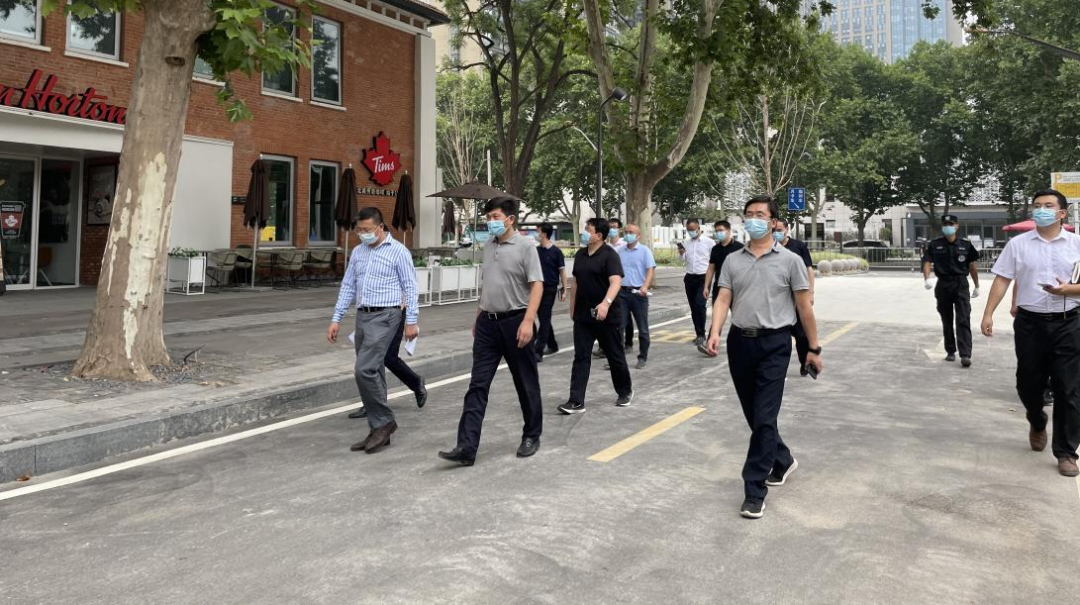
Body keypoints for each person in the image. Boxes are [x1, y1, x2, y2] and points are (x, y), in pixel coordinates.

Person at [705, 195, 823, 519]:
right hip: (739, 343)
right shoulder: (733, 260)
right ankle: (782, 458)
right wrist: (714, 331)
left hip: (775, 344)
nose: (753, 219)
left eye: (760, 214)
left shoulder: (790, 261)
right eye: (749, 214)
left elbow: (804, 308)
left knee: (764, 415)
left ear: (772, 222)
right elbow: (723, 298)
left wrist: (813, 349)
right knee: (755, 416)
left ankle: (754, 489)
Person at [981, 190, 1080, 478]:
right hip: (1030, 324)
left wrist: (1068, 290)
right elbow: (1003, 279)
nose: (1041, 210)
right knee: (1028, 384)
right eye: (1037, 206)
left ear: (1062, 213)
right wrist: (988, 313)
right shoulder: (1018, 245)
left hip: (1069, 322)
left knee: (1068, 388)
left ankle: (1066, 452)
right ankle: (1037, 420)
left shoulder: (1077, 245)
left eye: (1048, 206)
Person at [439, 197, 545, 466]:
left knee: (525, 383)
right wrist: (479, 315)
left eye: (495, 216)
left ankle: (532, 435)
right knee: (477, 385)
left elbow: (537, 285)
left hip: (516, 321)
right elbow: (488, 283)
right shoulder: (488, 245)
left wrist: (528, 321)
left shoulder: (526, 247)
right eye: (488, 217)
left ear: (510, 219)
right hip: (487, 323)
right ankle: (466, 447)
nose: (491, 222)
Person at [327, 207, 419, 454]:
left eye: (366, 229)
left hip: (387, 315)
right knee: (374, 370)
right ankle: (377, 428)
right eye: (359, 230)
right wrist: (336, 318)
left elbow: (411, 287)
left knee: (364, 370)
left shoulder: (398, 251)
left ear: (380, 227)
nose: (362, 234)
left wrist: (411, 321)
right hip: (363, 315)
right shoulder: (358, 252)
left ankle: (385, 422)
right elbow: (348, 285)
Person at [558, 217, 634, 414]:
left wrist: (605, 303)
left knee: (614, 355)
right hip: (583, 315)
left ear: (598, 235)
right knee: (581, 356)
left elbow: (616, 282)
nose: (584, 232)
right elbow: (575, 282)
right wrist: (573, 308)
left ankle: (624, 391)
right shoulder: (581, 254)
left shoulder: (610, 255)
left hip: (606, 315)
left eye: (588, 229)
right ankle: (576, 401)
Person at [347, 307, 428, 419]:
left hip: (394, 312)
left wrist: (411, 322)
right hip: (372, 315)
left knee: (389, 357)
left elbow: (409, 296)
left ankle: (416, 382)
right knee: (375, 358)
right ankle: (374, 404)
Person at [923, 214, 980, 367]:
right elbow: (927, 261)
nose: (948, 226)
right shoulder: (935, 245)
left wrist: (977, 285)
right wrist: (927, 278)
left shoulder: (966, 245)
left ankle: (965, 354)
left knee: (963, 318)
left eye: (951, 224)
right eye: (945, 224)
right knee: (946, 319)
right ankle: (950, 351)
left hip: (961, 284)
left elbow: (972, 266)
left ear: (956, 226)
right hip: (943, 284)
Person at [774, 218, 816, 374]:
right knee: (779, 336)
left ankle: (805, 363)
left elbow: (809, 269)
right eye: (774, 230)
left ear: (787, 229)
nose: (776, 233)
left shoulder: (798, 247)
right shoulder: (769, 248)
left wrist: (810, 292)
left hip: (798, 296)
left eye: (779, 230)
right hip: (778, 298)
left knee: (801, 335)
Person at [701, 220, 744, 354]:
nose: (719, 233)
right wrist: (706, 286)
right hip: (720, 287)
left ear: (729, 231)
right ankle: (711, 345)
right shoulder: (715, 249)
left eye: (721, 230)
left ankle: (744, 345)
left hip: (737, 288)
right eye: (717, 231)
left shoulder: (740, 248)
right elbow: (711, 268)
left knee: (740, 317)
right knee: (717, 317)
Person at [617, 224, 656, 369]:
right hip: (622, 294)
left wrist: (645, 286)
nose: (628, 234)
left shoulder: (645, 251)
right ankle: (617, 359)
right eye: (626, 232)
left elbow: (650, 270)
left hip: (639, 294)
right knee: (619, 327)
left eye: (631, 232)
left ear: (638, 235)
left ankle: (642, 357)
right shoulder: (620, 252)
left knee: (642, 328)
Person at [678, 218, 715, 346]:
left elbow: (714, 260)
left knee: (700, 305)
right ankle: (698, 334)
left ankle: (701, 334)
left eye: (693, 230)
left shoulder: (709, 242)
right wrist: (681, 253)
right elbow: (682, 260)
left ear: (699, 228)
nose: (691, 232)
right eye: (688, 230)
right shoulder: (686, 242)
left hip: (704, 278)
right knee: (694, 307)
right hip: (690, 278)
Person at [535, 223, 567, 362]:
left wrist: (564, 289)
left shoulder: (556, 252)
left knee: (544, 318)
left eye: (538, 231)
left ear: (544, 234)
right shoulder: (536, 251)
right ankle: (553, 345)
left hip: (550, 289)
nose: (537, 234)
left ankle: (538, 350)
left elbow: (562, 271)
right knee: (544, 318)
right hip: (537, 288)